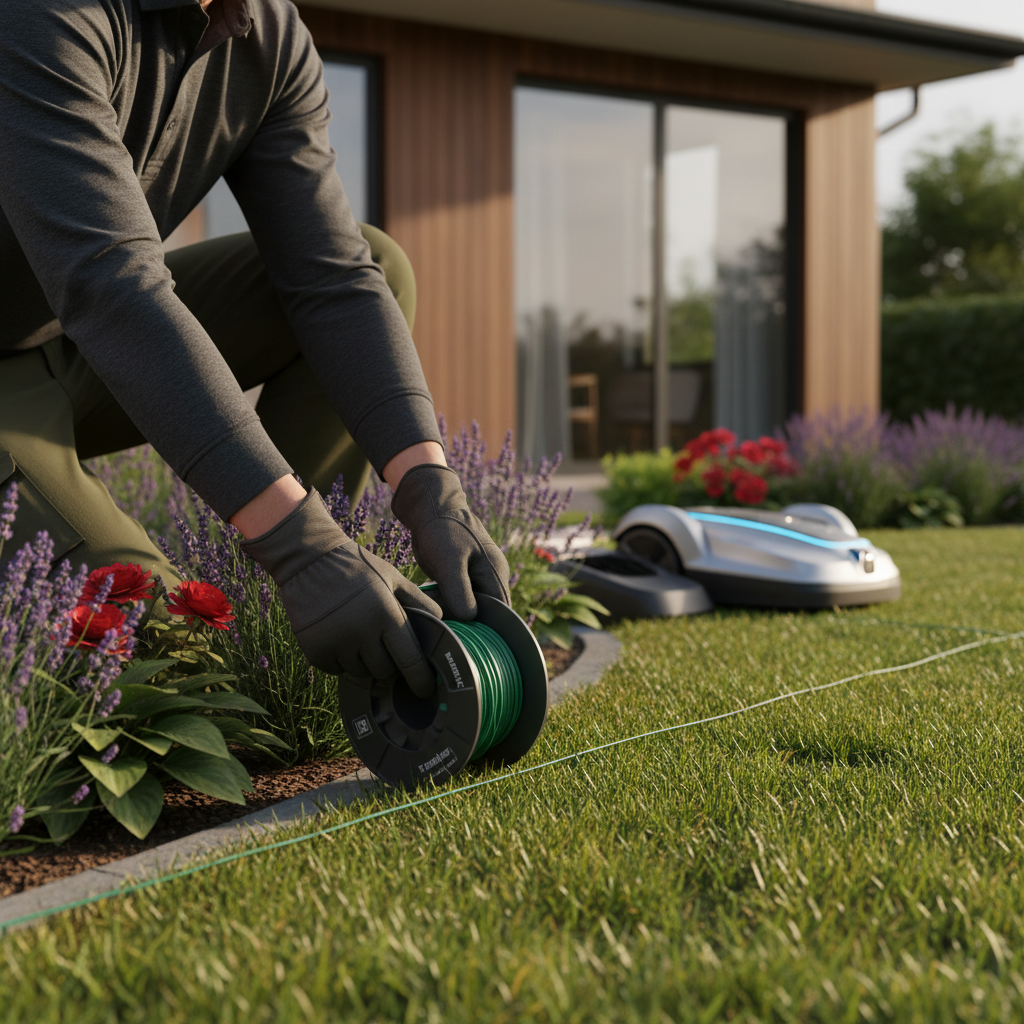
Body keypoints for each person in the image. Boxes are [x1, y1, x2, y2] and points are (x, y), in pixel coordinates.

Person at [0, 0, 510, 697]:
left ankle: (312, 603)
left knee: (377, 266)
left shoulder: (268, 35)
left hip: (75, 339)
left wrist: (429, 483)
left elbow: (331, 279)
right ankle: (297, 570)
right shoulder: (43, 14)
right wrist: (299, 547)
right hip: (81, 320)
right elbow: (112, 282)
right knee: (182, 657)